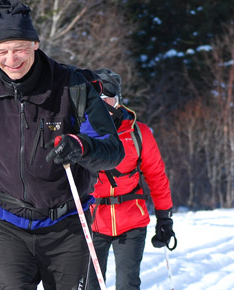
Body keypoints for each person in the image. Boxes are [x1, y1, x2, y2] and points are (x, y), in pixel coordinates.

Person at [0, 1, 125, 289]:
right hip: (9, 228)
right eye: (1, 51)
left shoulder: (73, 87)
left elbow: (113, 152)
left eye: (19, 48)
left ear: (35, 43)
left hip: (67, 227)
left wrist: (81, 146)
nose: (11, 59)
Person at [85, 69, 176, 290]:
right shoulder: (80, 135)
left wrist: (164, 219)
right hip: (91, 222)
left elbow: (156, 177)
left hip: (132, 220)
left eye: (109, 97)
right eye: (98, 99)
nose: (104, 104)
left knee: (128, 284)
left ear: (119, 100)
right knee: (90, 286)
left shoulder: (138, 133)